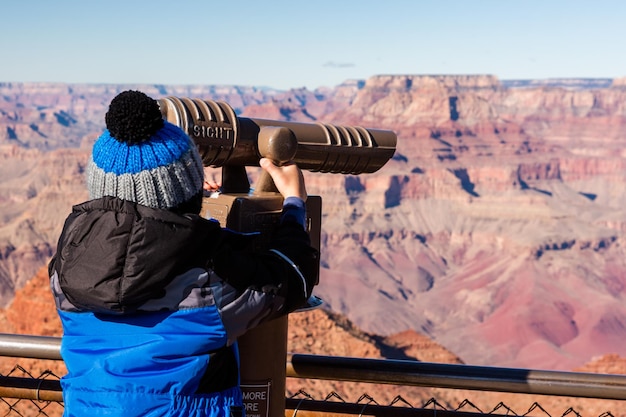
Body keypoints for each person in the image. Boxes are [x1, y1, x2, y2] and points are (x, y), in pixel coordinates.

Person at [48, 90, 318, 417]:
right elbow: (290, 279)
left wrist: (188, 222)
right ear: (188, 193)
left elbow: (135, 250)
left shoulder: (64, 267)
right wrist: (294, 203)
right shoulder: (211, 281)